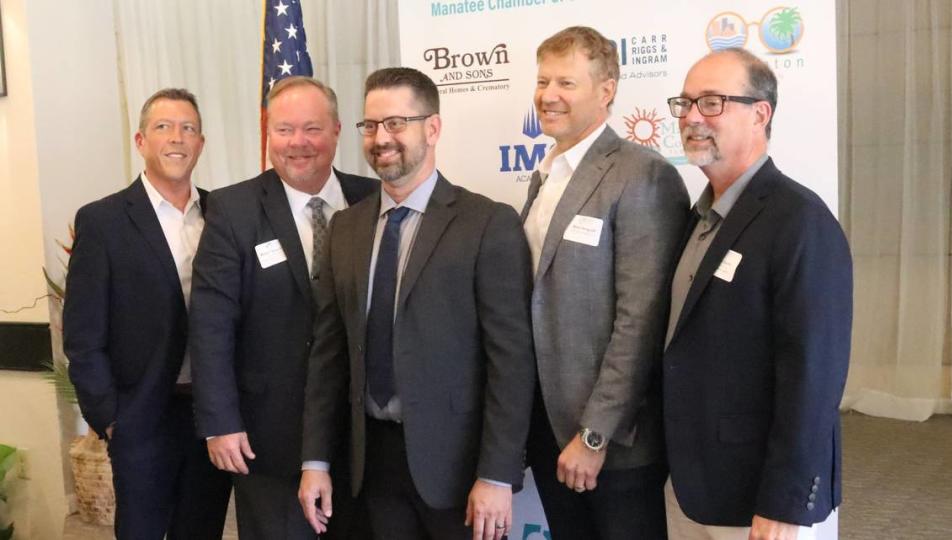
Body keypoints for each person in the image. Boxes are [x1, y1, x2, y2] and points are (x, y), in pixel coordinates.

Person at [298, 67, 536, 540]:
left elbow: (510, 361)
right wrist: (315, 460)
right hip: (371, 464)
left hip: (459, 471)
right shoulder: (346, 229)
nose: (381, 138)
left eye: (396, 123)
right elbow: (329, 354)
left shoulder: (487, 224)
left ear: (433, 128)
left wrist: (495, 474)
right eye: (370, 125)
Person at [662, 48, 851, 540]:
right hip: (694, 486)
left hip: (763, 505)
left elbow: (814, 376)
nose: (692, 118)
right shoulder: (695, 219)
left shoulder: (800, 221)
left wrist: (783, 503)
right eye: (684, 104)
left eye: (711, 102)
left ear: (760, 114)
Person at [189, 76, 378, 540]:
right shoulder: (233, 209)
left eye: (312, 129)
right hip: (268, 435)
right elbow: (211, 323)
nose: (298, 143)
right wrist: (220, 421)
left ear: (336, 131)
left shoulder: (374, 199)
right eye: (284, 129)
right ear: (267, 134)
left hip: (362, 435)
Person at [520, 26, 689, 540]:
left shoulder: (643, 176)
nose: (549, 95)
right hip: (548, 429)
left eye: (567, 83)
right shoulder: (546, 173)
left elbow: (641, 320)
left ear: (607, 90)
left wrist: (595, 436)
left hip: (612, 444)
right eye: (543, 80)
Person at [64, 88, 232, 540]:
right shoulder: (104, 221)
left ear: (201, 143)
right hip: (141, 415)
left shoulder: (225, 214)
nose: (177, 138)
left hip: (210, 414)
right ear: (141, 141)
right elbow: (82, 334)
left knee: (202, 529)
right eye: (163, 127)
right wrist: (110, 416)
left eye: (188, 128)